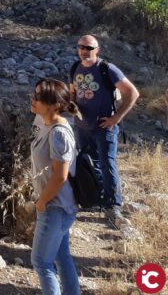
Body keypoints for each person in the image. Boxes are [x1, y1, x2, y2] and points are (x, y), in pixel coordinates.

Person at [69, 34, 138, 228]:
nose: (84, 51)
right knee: (90, 164)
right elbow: (74, 91)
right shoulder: (75, 67)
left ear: (97, 50)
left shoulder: (107, 69)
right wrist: (71, 105)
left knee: (108, 165)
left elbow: (132, 92)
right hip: (83, 127)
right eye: (81, 47)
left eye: (89, 48)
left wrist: (116, 118)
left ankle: (112, 205)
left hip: (103, 128)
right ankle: (95, 199)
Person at [29, 78, 81, 295]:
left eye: (38, 97)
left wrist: (42, 202)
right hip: (58, 205)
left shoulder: (58, 131)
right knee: (62, 256)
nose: (32, 100)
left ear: (53, 104)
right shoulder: (47, 124)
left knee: (41, 262)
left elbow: (60, 176)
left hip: (55, 206)